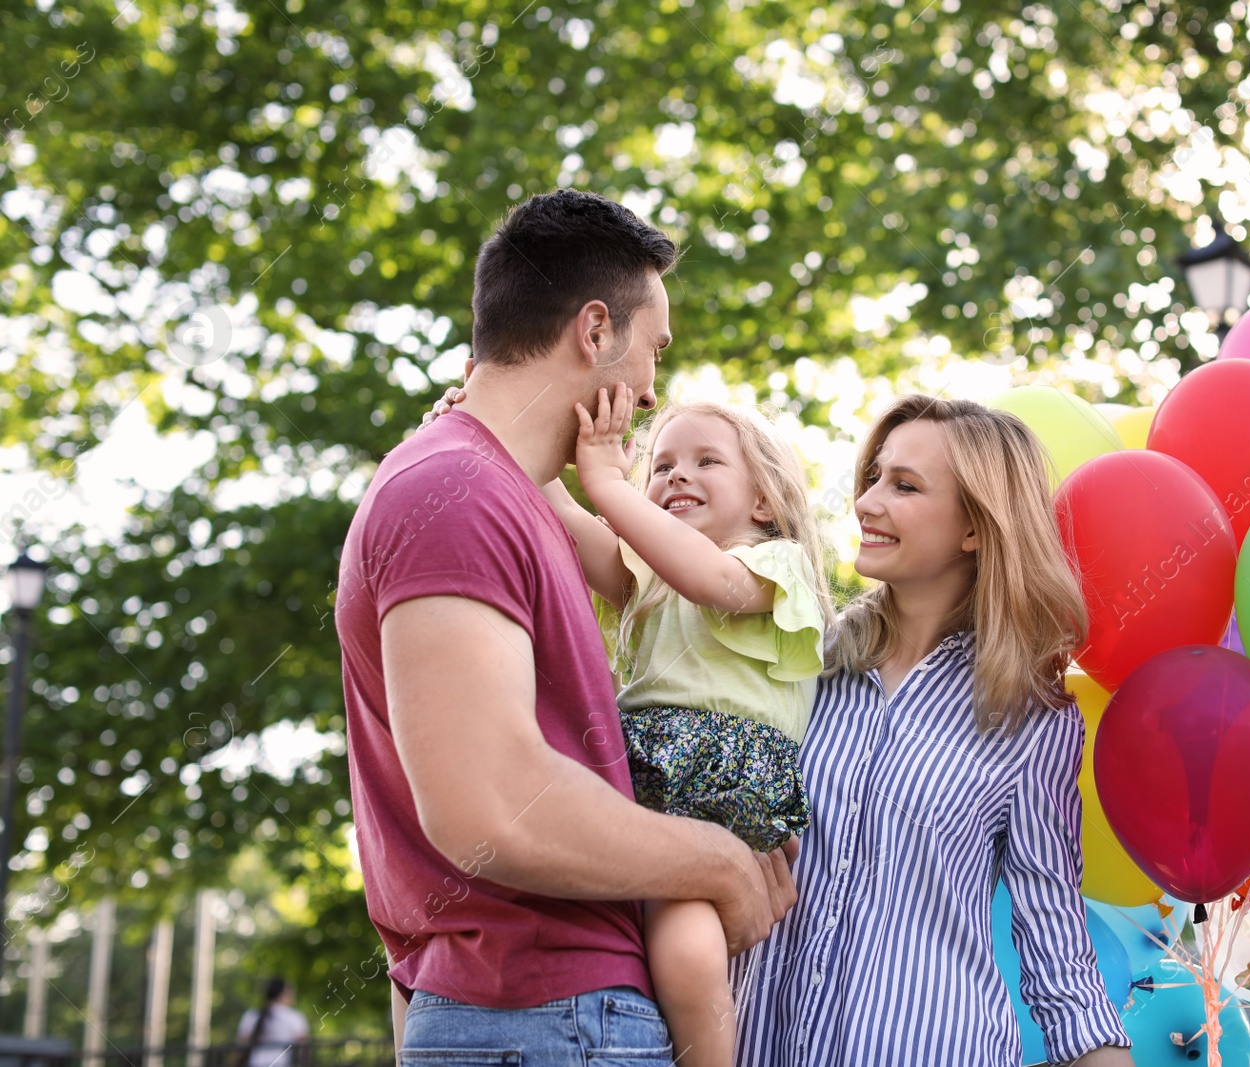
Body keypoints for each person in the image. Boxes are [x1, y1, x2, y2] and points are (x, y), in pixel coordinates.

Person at [335, 190, 797, 1067]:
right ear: (595, 331)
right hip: (548, 1022)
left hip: (543, 1019)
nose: (656, 385)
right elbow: (492, 806)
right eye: (654, 347)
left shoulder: (497, 495)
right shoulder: (459, 496)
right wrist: (721, 861)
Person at [734, 395, 1135, 1066]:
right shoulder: (801, 664)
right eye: (873, 478)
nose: (866, 502)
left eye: (905, 485)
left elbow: (1057, 954)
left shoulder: (1030, 719)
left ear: (974, 527)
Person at [545, 384, 833, 1067]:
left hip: (718, 790)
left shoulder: (772, 564)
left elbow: (712, 581)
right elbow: (566, 522)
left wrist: (608, 484)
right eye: (664, 464)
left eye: (707, 461)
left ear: (763, 500)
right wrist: (538, 464)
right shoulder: (651, 576)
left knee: (688, 947)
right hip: (634, 775)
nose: (678, 473)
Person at [235, 978, 308, 1067]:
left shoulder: (252, 1015)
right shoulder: (294, 1017)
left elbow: (242, 1044)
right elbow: (303, 1047)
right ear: (284, 993)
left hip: (255, 1063)